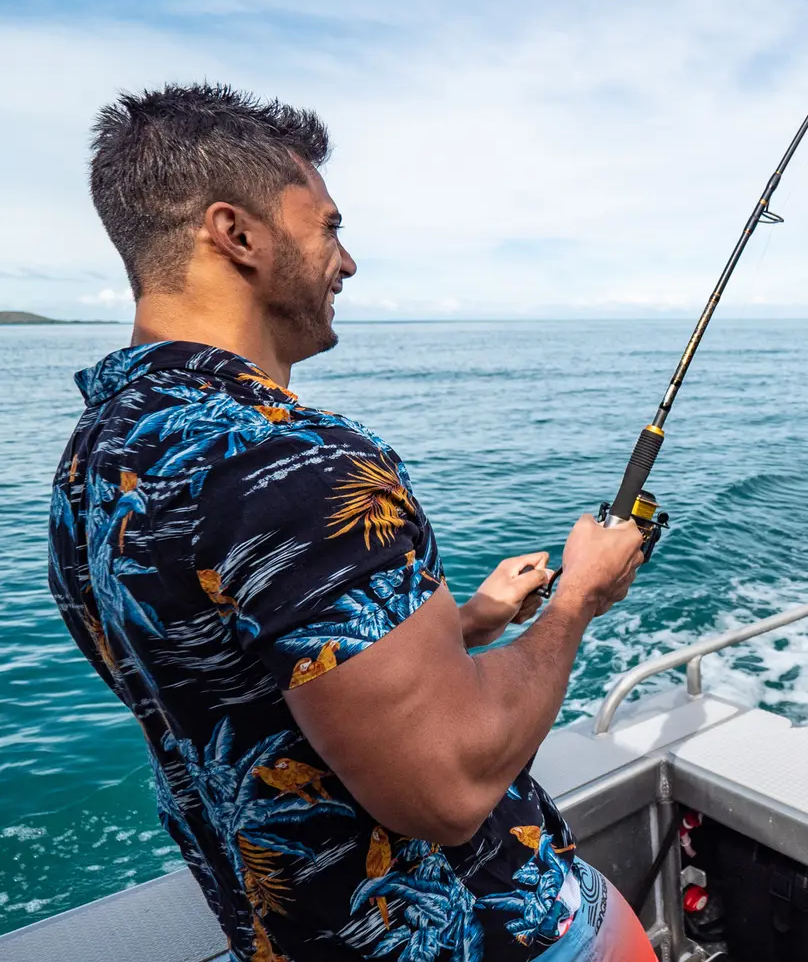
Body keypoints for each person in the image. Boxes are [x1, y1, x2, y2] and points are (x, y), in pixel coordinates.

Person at [47, 83, 657, 962]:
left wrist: (471, 621)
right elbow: (446, 785)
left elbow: (247, 686)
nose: (347, 260)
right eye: (328, 225)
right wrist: (578, 603)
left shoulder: (97, 460)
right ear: (238, 234)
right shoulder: (289, 460)